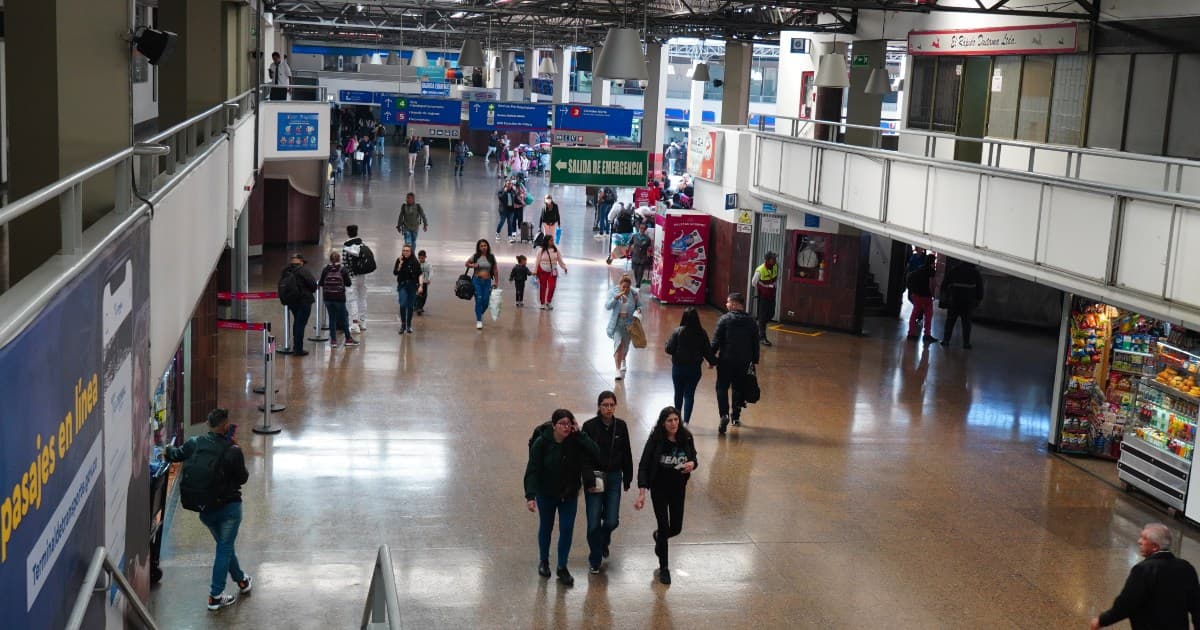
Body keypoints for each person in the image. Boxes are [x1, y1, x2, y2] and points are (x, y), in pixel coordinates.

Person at [164, 408, 252, 610]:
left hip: (206, 510)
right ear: (226, 427)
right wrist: (235, 448)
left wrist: (166, 449)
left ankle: (242, 580)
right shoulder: (232, 450)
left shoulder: (195, 443)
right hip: (229, 509)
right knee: (224, 548)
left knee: (225, 546)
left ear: (209, 424)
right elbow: (243, 478)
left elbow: (175, 455)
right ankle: (215, 595)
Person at [524, 409, 600, 587]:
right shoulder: (542, 443)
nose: (566, 428)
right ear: (553, 425)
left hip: (569, 494)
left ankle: (562, 566)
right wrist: (530, 495)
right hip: (547, 493)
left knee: (566, 529)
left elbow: (596, 452)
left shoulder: (576, 440)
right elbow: (532, 470)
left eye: (569, 424)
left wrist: (580, 434)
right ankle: (544, 561)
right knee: (546, 527)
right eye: (562, 424)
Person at [1091, 522, 1200, 629]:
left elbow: (1126, 604)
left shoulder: (1143, 569)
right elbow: (1196, 606)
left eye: (1144, 538)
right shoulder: (1186, 567)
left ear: (1155, 547)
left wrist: (1102, 621)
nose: (1139, 541)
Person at [633, 406, 698, 586]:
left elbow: (694, 458)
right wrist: (642, 493)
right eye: (669, 420)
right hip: (659, 489)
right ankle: (664, 567)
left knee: (676, 528)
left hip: (678, 489)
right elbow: (644, 465)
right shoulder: (655, 440)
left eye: (676, 419)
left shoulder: (686, 438)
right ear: (663, 423)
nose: (674, 423)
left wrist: (692, 464)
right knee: (664, 526)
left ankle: (659, 537)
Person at [581, 391, 634, 575]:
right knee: (593, 522)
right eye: (605, 405)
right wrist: (587, 479)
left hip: (613, 478)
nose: (609, 408)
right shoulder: (589, 427)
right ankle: (595, 558)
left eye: (612, 405)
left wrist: (628, 477)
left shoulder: (621, 426)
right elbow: (584, 456)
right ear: (599, 406)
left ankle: (604, 540)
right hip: (594, 478)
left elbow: (626, 452)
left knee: (611, 520)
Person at [711, 292, 759, 434]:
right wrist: (754, 361)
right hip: (743, 362)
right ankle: (735, 417)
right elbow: (755, 343)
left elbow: (715, 341)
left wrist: (711, 359)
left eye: (728, 302)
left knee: (721, 387)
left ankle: (724, 415)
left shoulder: (724, 320)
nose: (726, 304)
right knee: (738, 387)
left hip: (725, 361)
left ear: (734, 304)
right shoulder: (751, 321)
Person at [665, 308, 716, 425]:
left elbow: (669, 349)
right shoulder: (701, 333)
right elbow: (707, 351)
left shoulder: (677, 331)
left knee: (678, 393)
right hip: (694, 369)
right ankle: (686, 422)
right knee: (689, 395)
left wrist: (667, 344)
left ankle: (676, 420)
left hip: (678, 368)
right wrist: (712, 362)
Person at [278, 253, 318, 356]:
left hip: (291, 302)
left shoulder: (285, 270)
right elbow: (313, 285)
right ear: (300, 261)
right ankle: (298, 349)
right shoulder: (303, 270)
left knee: (297, 323)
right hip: (304, 301)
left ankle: (296, 346)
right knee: (300, 324)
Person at [939, 259, 984, 349]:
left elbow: (944, 285)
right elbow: (980, 289)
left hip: (954, 300)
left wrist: (945, 299)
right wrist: (978, 300)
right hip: (968, 302)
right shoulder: (975, 273)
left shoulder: (955, 270)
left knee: (950, 321)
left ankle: (946, 340)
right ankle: (966, 343)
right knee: (966, 323)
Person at [605, 275, 641, 380]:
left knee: (625, 346)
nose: (625, 289)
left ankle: (623, 360)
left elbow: (640, 305)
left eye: (627, 287)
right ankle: (617, 369)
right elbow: (607, 306)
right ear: (619, 285)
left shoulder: (634, 293)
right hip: (617, 323)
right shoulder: (613, 292)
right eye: (623, 287)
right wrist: (615, 298)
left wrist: (639, 310)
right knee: (618, 344)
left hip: (629, 324)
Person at [319, 251, 358, 347]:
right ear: (339, 259)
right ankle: (348, 339)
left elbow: (321, 283)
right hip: (339, 298)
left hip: (328, 298)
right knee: (344, 318)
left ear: (330, 259)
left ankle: (333, 341)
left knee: (332, 319)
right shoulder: (343, 270)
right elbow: (348, 283)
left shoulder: (326, 269)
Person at [342, 225, 372, 334]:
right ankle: (363, 322)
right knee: (362, 297)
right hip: (362, 276)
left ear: (347, 232)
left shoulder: (347, 246)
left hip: (352, 277)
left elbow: (345, 263)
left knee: (352, 299)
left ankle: (354, 324)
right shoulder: (361, 243)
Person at [466, 239, 499, 330]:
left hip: (487, 282)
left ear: (487, 246)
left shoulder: (491, 257)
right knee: (479, 299)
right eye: (481, 246)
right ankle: (479, 320)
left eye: (485, 245)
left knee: (486, 301)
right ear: (479, 247)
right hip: (476, 281)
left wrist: (496, 282)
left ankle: (479, 313)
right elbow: (467, 263)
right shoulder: (475, 256)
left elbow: (495, 270)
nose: (484, 247)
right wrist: (473, 265)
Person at [393, 244, 424, 334]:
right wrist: (400, 265)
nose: (405, 252)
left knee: (410, 306)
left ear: (411, 252)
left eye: (407, 251)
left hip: (412, 286)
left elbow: (420, 274)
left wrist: (421, 286)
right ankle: (403, 325)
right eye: (404, 250)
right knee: (402, 304)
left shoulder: (415, 262)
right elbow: (395, 272)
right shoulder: (399, 260)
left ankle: (409, 325)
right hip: (402, 285)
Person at [906, 254, 938, 343]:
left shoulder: (920, 268)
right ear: (932, 262)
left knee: (914, 314)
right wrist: (932, 295)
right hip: (926, 297)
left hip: (917, 295)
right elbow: (931, 284)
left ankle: (911, 333)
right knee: (928, 316)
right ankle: (927, 335)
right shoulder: (931, 271)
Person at [751, 252, 779, 346]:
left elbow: (775, 278)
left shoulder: (775, 266)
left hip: (772, 294)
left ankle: (758, 328)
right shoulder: (760, 269)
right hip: (763, 296)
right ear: (767, 260)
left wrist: (773, 287)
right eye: (773, 258)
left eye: (775, 258)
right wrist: (763, 288)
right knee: (762, 316)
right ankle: (762, 337)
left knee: (771, 314)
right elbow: (754, 282)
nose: (775, 260)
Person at [534, 237, 567, 310]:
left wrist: (564, 267)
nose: (553, 241)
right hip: (542, 270)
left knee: (552, 286)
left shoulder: (556, 250)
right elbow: (537, 261)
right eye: (551, 240)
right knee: (543, 287)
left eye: (553, 240)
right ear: (547, 241)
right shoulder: (540, 250)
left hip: (553, 271)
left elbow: (560, 260)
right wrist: (535, 271)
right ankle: (542, 303)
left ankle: (548, 302)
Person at [629, 220, 653, 286]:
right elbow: (630, 243)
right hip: (635, 256)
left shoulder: (647, 238)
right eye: (641, 228)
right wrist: (629, 250)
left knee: (640, 272)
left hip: (643, 257)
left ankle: (638, 284)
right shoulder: (634, 236)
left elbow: (650, 246)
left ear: (645, 229)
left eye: (644, 228)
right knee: (635, 272)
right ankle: (637, 282)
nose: (642, 230)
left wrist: (650, 250)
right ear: (639, 228)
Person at [415, 249, 431, 315]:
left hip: (425, 282)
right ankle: (418, 307)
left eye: (422, 258)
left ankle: (421, 306)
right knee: (418, 294)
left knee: (424, 295)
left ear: (425, 257)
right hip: (418, 282)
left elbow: (431, 272)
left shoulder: (428, 264)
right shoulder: (416, 264)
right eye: (419, 258)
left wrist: (429, 279)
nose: (421, 259)